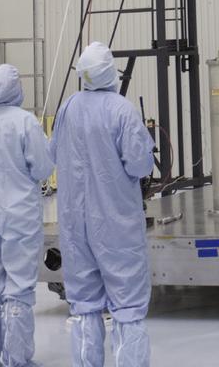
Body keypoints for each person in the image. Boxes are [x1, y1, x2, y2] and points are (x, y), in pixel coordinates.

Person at [51, 42, 156, 367]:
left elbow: (53, 153)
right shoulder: (121, 110)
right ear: (110, 71)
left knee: (84, 306)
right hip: (116, 225)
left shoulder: (69, 107)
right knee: (127, 307)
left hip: (74, 225)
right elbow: (140, 165)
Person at [0, 64, 54, 367]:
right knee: (18, 283)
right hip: (19, 213)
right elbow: (43, 168)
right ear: (17, 89)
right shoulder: (26, 122)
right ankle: (17, 359)